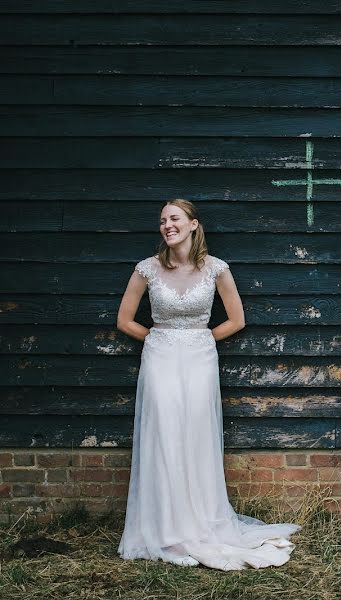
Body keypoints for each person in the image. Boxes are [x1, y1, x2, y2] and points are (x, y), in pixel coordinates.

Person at [115, 199, 299, 570]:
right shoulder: (147, 270)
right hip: (160, 358)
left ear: (193, 224)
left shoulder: (216, 269)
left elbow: (237, 319)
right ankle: (165, 528)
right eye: (163, 220)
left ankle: (199, 522)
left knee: (195, 435)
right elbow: (124, 320)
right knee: (164, 434)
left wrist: (202, 339)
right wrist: (157, 337)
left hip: (200, 358)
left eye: (175, 219)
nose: (168, 225)